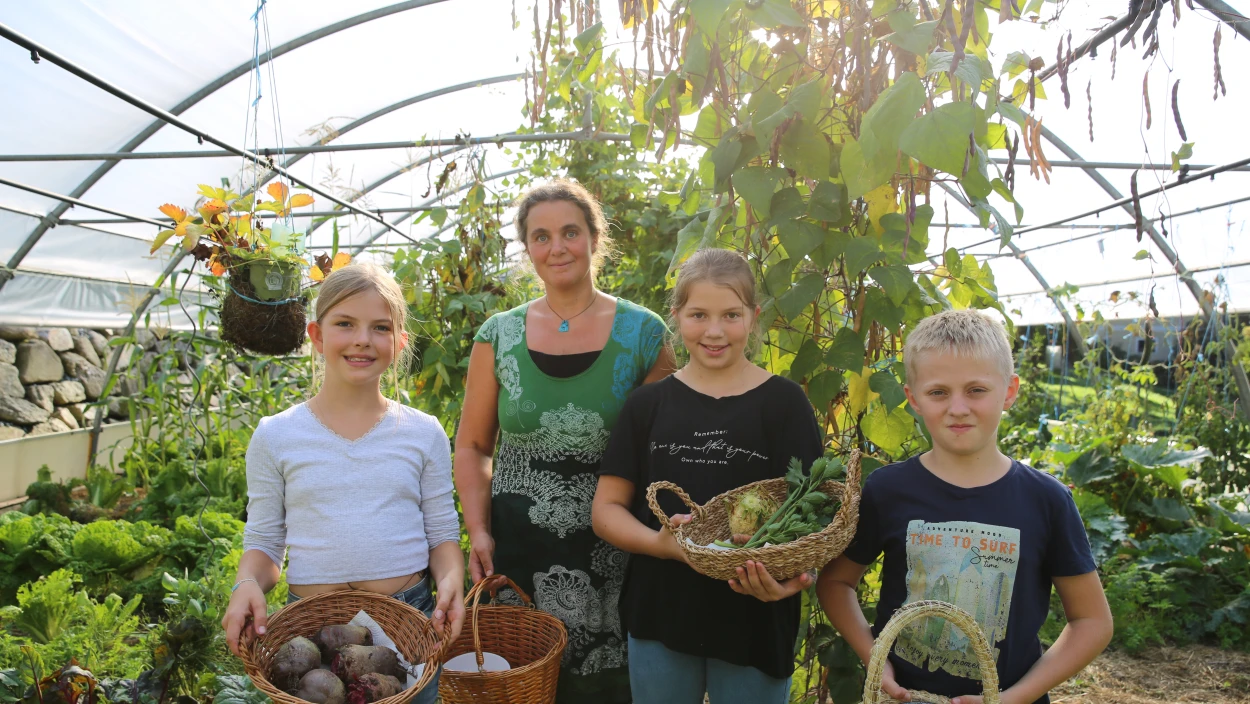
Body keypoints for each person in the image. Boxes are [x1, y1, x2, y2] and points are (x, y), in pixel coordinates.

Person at [818, 308, 1113, 704]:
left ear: (1009, 391)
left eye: (976, 390)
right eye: (939, 392)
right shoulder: (888, 489)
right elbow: (836, 583)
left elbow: (1092, 621)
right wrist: (875, 657)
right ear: (914, 399)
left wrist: (1013, 699)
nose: (958, 407)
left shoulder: (1046, 500)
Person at [455, 179, 675, 703]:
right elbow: (473, 446)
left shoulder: (644, 334)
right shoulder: (498, 335)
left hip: (614, 550)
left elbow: (661, 451)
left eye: (571, 232)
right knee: (521, 684)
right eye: (541, 236)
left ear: (595, 238)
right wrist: (479, 531)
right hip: (518, 548)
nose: (557, 247)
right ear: (528, 248)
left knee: (608, 691)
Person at [222, 263, 465, 704]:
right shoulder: (276, 434)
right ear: (316, 335)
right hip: (311, 644)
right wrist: (247, 585)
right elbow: (264, 542)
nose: (362, 339)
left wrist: (452, 578)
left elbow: (442, 533)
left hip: (408, 626)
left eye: (380, 327)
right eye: (345, 324)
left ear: (400, 341)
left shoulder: (423, 431)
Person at [592, 248, 823, 704]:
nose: (714, 331)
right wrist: (661, 546)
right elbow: (606, 510)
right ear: (676, 316)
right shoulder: (648, 406)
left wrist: (791, 577)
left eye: (731, 315)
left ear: (753, 318)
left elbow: (814, 514)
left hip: (754, 615)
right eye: (698, 314)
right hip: (662, 610)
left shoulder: (784, 405)